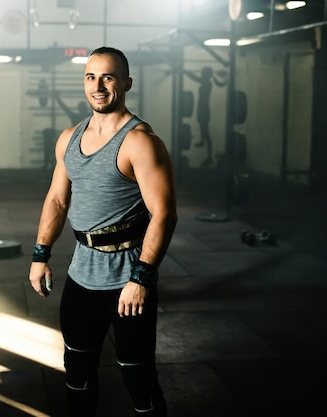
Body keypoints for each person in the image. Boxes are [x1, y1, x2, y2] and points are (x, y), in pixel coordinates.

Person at [28, 47, 177, 417]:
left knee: (137, 379)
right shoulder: (69, 138)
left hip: (128, 279)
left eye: (108, 77)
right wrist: (40, 255)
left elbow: (164, 214)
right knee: (76, 372)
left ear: (126, 83)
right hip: (81, 275)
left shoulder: (140, 142)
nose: (98, 85)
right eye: (91, 77)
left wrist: (141, 278)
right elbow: (57, 201)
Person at [184, 66, 226, 167]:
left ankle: (209, 157)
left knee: (206, 133)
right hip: (202, 108)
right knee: (204, 130)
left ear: (206, 75)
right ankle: (203, 141)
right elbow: (196, 78)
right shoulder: (206, 82)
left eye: (203, 73)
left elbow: (195, 78)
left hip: (204, 109)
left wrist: (185, 71)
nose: (201, 74)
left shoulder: (207, 83)